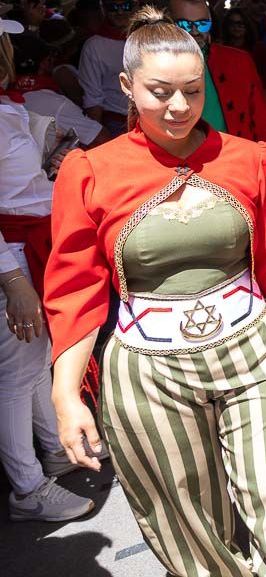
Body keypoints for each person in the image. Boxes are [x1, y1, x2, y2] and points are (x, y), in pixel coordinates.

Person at [43, 8, 266, 575]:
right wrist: (66, 396)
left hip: (254, 347)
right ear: (128, 86)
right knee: (183, 516)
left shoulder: (250, 158)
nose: (179, 107)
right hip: (148, 368)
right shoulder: (90, 171)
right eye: (159, 92)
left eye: (192, 91)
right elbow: (75, 290)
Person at [0, 78, 95, 523]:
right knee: (16, 378)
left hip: (31, 246)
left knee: (34, 363)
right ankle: (27, 488)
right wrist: (13, 280)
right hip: (13, 256)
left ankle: (54, 451)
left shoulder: (10, 106)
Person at [165, 0, 266, 152]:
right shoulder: (153, 66)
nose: (195, 31)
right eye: (184, 24)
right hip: (181, 163)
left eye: (203, 24)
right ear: (168, 23)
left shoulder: (237, 60)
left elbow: (262, 120)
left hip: (235, 158)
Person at [79, 0, 136, 138]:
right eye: (113, 7)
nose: (120, 11)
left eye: (126, 6)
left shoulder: (146, 38)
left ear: (135, 8)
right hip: (116, 121)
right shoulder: (94, 45)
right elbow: (92, 97)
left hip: (150, 117)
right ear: (103, 10)